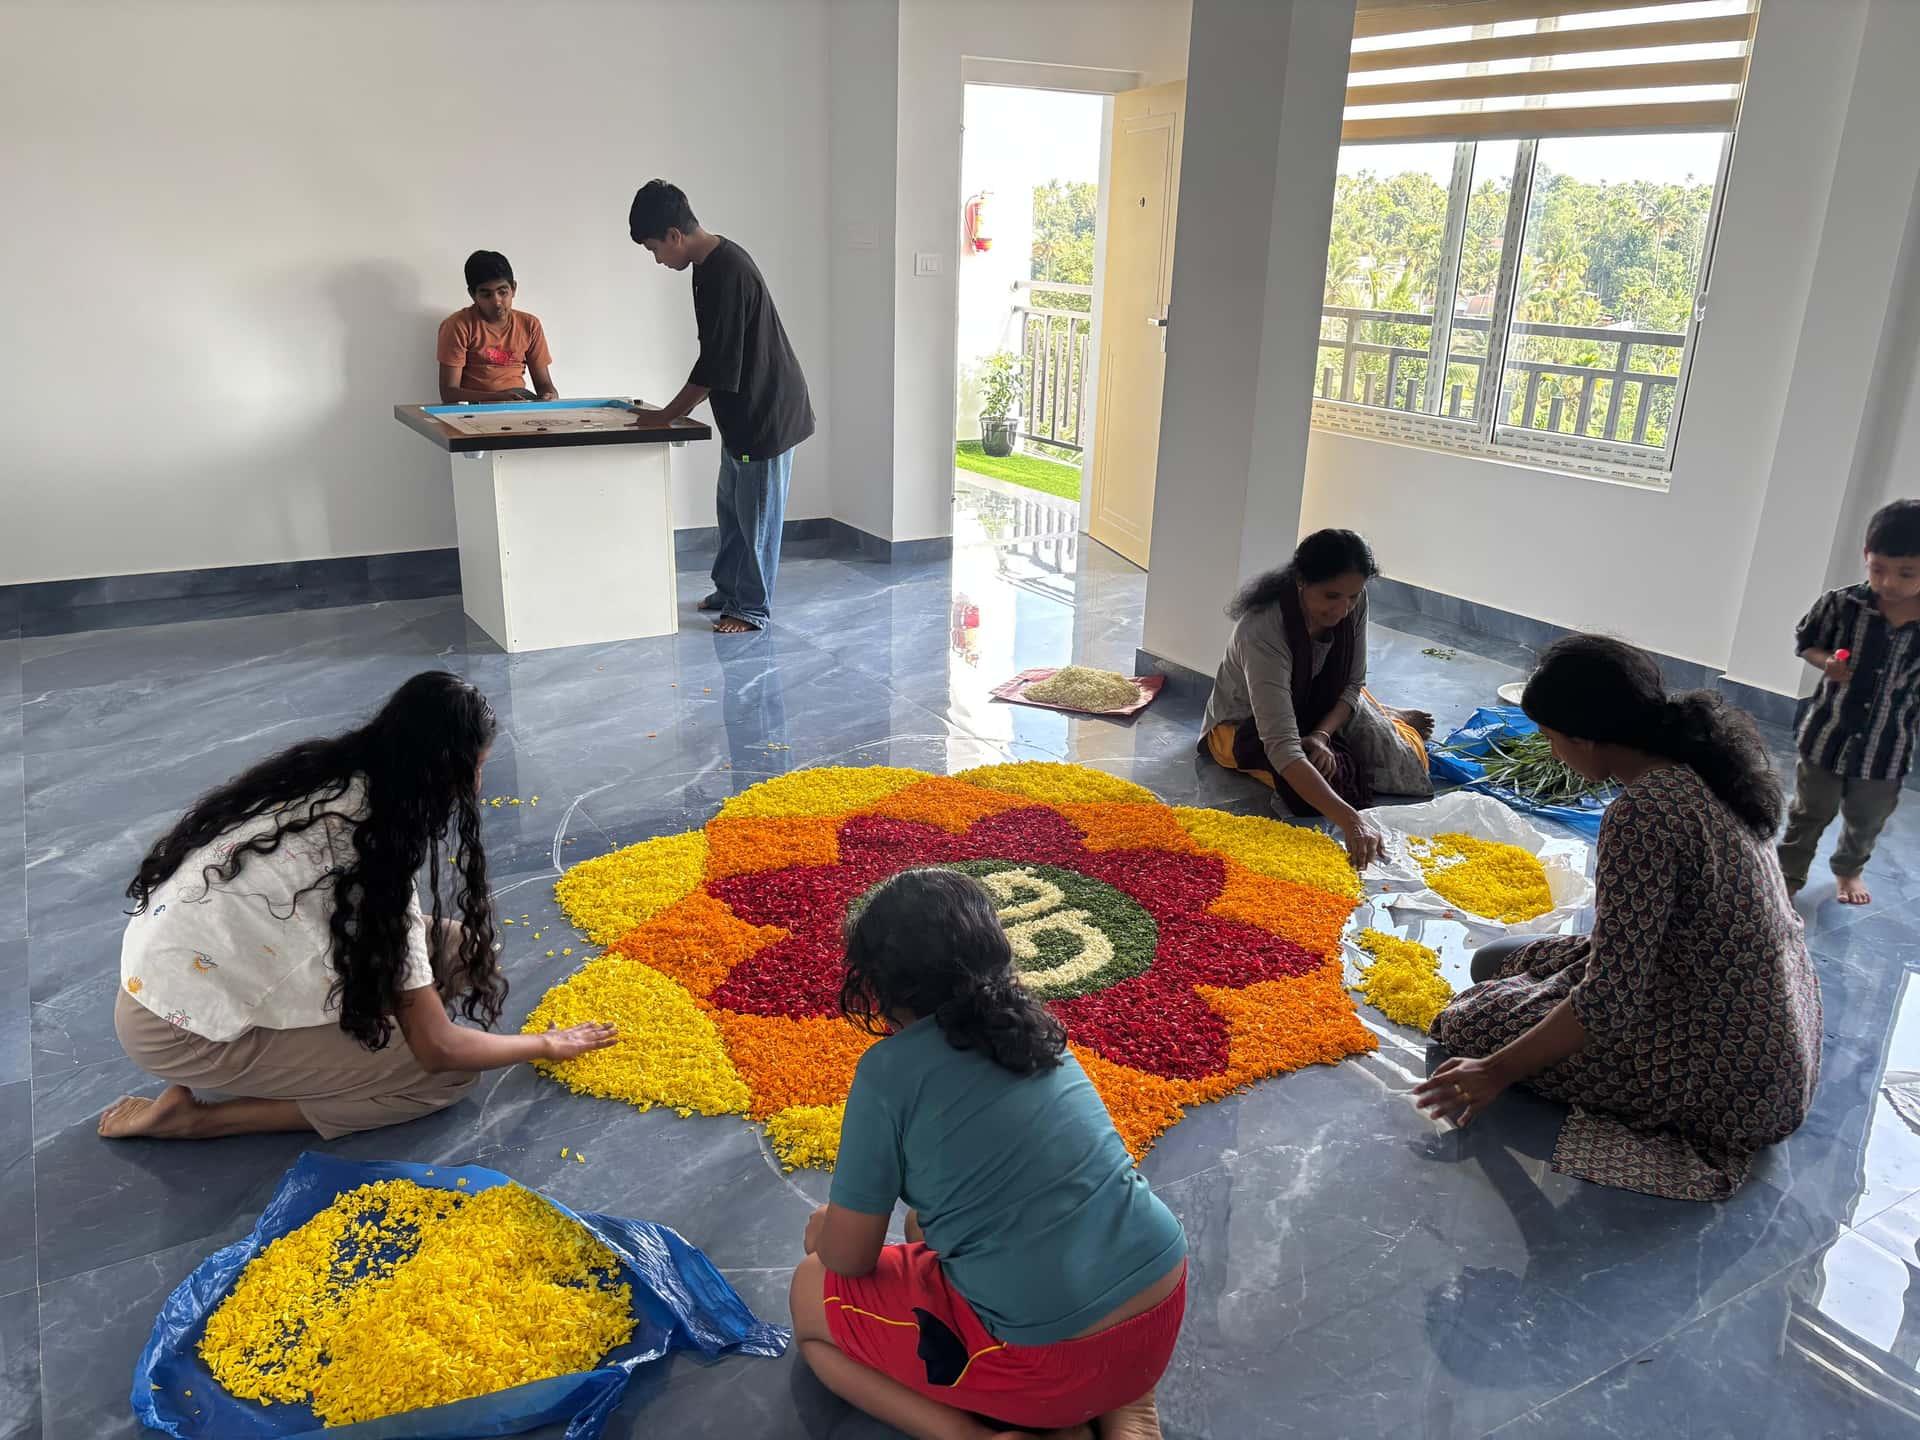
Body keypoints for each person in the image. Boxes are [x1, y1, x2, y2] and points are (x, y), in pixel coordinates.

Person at [97, 672, 616, 1142]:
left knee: (459, 948)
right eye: (478, 769)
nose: (480, 785)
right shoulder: (375, 869)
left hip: (183, 976)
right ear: (447, 777)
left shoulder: (332, 776)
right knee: (444, 1078)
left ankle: (342, 1054)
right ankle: (200, 1120)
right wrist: (547, 1044)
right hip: (177, 1031)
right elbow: (443, 1051)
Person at [1415, 635, 1821, 1202]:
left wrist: (1494, 1071)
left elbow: (1609, 1000)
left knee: (1466, 1023)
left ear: (1586, 737)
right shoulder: (1700, 763)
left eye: (1552, 738)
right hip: (1766, 1036)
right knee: (1494, 959)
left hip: (1729, 1073)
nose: (1553, 752)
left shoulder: (1642, 814)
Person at [789, 870, 1187, 1440]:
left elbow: (849, 1258)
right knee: (922, 1223)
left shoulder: (887, 1072)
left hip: (1052, 1360)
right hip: (1160, 1303)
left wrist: (826, 1233)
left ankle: (978, 1435)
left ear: (878, 986)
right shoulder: (1035, 1029)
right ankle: (1125, 1404)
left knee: (809, 1292)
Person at [627, 179, 815, 635]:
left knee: (757, 517)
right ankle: (730, 589)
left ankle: (751, 608)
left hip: (766, 414)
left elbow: (715, 366)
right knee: (731, 507)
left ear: (674, 235)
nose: (656, 259)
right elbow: (716, 355)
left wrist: (665, 415)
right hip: (742, 414)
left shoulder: (725, 270)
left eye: (655, 248)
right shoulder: (707, 265)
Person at [1199, 528, 1434, 867]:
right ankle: (1380, 712)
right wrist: (1352, 821)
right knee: (1314, 793)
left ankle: (1381, 713)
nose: (1342, 609)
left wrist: (1322, 735)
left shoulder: (1354, 601)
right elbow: (1281, 745)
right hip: (1245, 723)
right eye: (1331, 596)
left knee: (1407, 771)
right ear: (1301, 582)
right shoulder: (1262, 631)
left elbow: (1352, 681)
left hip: (1316, 701)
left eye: (1352, 597)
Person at [1777, 498, 1920, 906]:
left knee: (1867, 819)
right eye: (1878, 569)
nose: (1889, 582)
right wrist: (1827, 664)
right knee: (1808, 812)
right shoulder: (1843, 605)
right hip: (1827, 734)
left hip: (1886, 748)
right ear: (1866, 557)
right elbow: (1807, 643)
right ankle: (1788, 874)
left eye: (1906, 573)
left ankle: (1849, 869)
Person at [436, 250, 558, 404]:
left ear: (513, 289)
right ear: (473, 295)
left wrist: (549, 395)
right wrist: (497, 398)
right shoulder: (458, 326)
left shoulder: (530, 324)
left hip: (520, 400)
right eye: (487, 295)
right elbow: (449, 393)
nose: (497, 302)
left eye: (503, 292)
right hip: (476, 407)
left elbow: (544, 385)